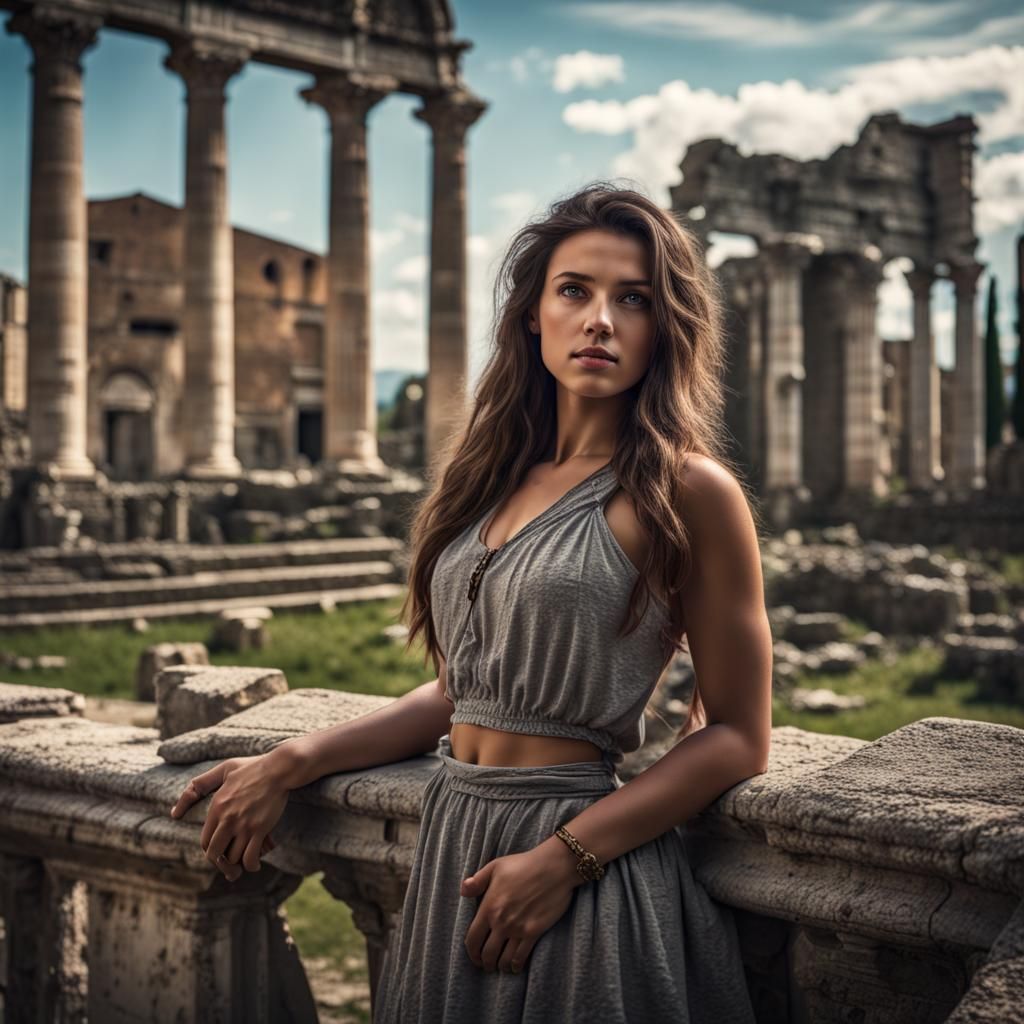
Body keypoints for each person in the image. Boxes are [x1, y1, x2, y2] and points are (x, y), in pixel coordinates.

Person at [170, 181, 772, 1023]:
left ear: (663, 328)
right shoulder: (493, 480)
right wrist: (291, 761)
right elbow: (465, 693)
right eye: (575, 291)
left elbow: (741, 737)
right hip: (454, 841)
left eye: (632, 300)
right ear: (534, 314)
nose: (600, 319)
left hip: (581, 869)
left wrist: (564, 860)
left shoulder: (688, 489)